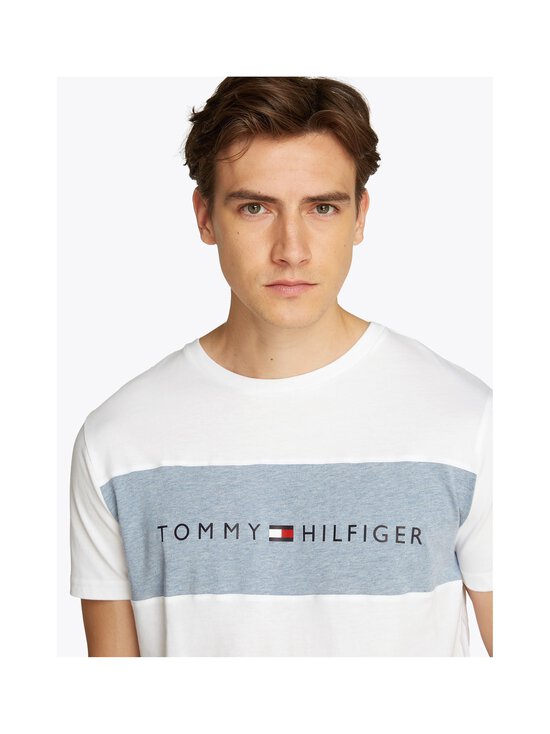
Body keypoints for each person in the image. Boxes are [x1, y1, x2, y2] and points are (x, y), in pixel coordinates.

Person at [69, 76, 492, 657]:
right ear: (205, 217)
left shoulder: (468, 421)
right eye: (255, 207)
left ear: (359, 217)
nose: (291, 249)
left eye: (322, 207)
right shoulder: (118, 440)